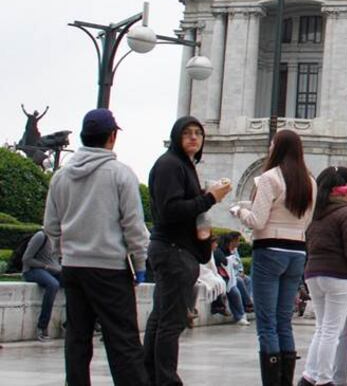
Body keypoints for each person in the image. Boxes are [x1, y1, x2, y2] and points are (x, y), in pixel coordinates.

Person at [43, 108, 150, 386]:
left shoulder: (61, 177)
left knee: (77, 338)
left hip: (74, 268)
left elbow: (51, 228)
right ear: (112, 137)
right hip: (110, 269)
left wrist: (64, 254)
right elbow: (134, 227)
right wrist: (140, 265)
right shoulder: (120, 174)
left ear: (82, 137)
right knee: (122, 341)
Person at [143, 115, 230, 386]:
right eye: (187, 133)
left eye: (198, 133)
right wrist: (209, 198)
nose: (194, 137)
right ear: (176, 137)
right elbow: (170, 210)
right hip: (172, 250)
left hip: (178, 250)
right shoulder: (170, 165)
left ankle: (150, 376)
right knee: (171, 321)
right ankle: (165, 379)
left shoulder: (185, 165)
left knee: (162, 317)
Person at [232, 129, 317, 386]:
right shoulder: (310, 182)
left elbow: (257, 221)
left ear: (277, 148)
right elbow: (308, 220)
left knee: (267, 323)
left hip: (270, 250)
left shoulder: (270, 178)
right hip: (296, 251)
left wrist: (238, 211)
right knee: (284, 320)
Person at [297, 167, 347, 386]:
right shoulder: (346, 213)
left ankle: (310, 374)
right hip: (339, 274)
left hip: (314, 272)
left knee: (322, 327)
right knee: (332, 331)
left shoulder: (316, 214)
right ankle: (325, 379)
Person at [20, 228, 63, 341]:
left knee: (78, 283)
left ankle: (70, 324)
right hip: (33, 271)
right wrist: (46, 266)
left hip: (53, 270)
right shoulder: (41, 236)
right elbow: (26, 259)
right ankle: (42, 327)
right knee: (53, 285)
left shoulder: (60, 238)